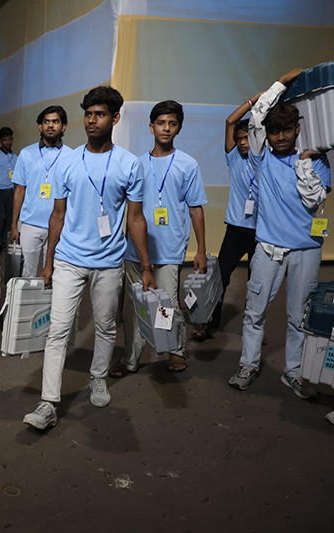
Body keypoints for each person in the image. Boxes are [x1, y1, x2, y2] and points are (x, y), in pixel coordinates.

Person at [23, 86, 154, 430]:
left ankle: (98, 377)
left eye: (100, 114)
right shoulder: (68, 161)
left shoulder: (129, 164)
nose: (92, 120)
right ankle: (48, 402)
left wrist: (146, 266)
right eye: (88, 114)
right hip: (69, 259)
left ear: (115, 118)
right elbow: (57, 216)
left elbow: (136, 218)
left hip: (110, 261)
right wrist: (48, 262)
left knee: (106, 325)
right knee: (58, 330)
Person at [228, 68, 331, 400]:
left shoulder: (317, 161)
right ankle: (248, 365)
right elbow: (256, 117)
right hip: (269, 248)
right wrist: (281, 83)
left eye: (287, 130)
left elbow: (314, 199)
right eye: (275, 132)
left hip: (306, 249)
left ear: (298, 129)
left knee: (299, 317)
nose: (281, 137)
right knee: (255, 312)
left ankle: (294, 373)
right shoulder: (261, 158)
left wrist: (303, 164)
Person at [116, 100, 207, 375]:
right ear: (151, 126)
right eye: (161, 123)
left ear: (179, 128)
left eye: (172, 123)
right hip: (135, 248)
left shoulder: (188, 164)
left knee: (167, 303)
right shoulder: (136, 164)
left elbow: (195, 209)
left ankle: (174, 350)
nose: (166, 128)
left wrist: (201, 249)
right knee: (133, 307)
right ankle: (130, 358)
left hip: (170, 247)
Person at [190, 95, 262, 342]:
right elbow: (230, 121)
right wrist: (254, 101)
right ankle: (208, 323)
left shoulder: (265, 161)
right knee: (219, 279)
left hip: (261, 232)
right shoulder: (234, 157)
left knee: (256, 285)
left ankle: (255, 330)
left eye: (247, 138)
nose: (242, 142)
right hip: (236, 229)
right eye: (239, 139)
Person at [10, 106, 71, 277]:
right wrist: (14, 225)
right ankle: (25, 304)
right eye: (46, 122)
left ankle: (51, 305)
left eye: (55, 122)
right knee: (27, 274)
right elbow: (19, 191)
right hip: (30, 224)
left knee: (54, 274)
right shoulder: (26, 153)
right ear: (40, 126)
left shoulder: (71, 156)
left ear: (64, 126)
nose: (50, 125)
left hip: (60, 225)